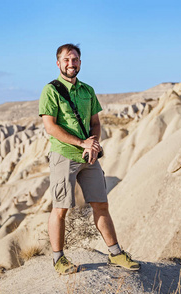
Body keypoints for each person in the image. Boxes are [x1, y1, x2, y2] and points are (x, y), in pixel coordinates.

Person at [39, 43, 140, 275]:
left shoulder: (87, 90)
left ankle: (115, 254)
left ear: (80, 63)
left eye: (74, 59)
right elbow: (50, 127)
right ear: (58, 63)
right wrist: (81, 143)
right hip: (64, 155)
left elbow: (95, 122)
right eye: (66, 60)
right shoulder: (51, 90)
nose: (71, 64)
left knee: (101, 205)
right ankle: (58, 259)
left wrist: (93, 144)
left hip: (89, 157)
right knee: (61, 208)